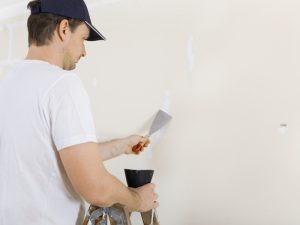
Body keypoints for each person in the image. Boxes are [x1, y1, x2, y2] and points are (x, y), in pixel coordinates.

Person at [0, 0, 158, 224]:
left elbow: (53, 156)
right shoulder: (62, 85)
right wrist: (137, 200)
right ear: (64, 29)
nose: (84, 52)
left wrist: (121, 146)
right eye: (83, 39)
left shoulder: (8, 83)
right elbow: (96, 189)